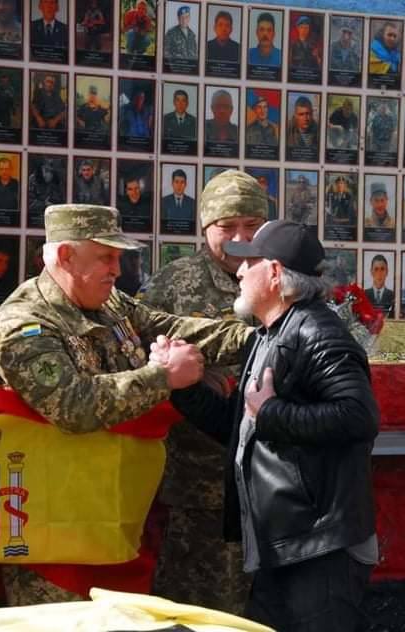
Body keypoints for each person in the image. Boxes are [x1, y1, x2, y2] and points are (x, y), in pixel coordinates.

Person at [0, 203, 252, 606]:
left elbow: (168, 326)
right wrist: (164, 377)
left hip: (111, 513)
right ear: (65, 256)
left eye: (119, 257)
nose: (116, 268)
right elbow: (73, 406)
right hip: (51, 527)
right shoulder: (23, 326)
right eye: (106, 257)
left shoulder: (108, 303)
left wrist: (258, 338)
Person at [164, 219, 378, 630]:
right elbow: (241, 425)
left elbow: (359, 417)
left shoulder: (317, 333)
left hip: (319, 552)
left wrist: (273, 413)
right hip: (283, 545)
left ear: (276, 273)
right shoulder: (269, 334)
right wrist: (184, 386)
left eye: (250, 263)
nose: (239, 272)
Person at [141, 170, 267, 615]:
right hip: (201, 474)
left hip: (270, 473)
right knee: (198, 600)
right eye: (226, 227)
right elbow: (140, 361)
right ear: (205, 227)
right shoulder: (172, 284)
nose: (239, 238)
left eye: (251, 226)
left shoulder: (281, 275)